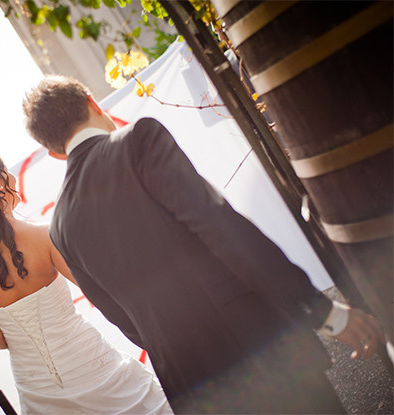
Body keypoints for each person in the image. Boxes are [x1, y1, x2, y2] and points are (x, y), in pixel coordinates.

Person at [21, 75, 385, 413]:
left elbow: (120, 318)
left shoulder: (61, 227)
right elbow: (221, 227)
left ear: (54, 152)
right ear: (91, 101)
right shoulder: (136, 141)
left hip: (192, 384)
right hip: (258, 350)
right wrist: (323, 312)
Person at [0, 151, 172, 414]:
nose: (13, 179)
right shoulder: (44, 236)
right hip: (90, 363)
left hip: (37, 387)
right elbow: (99, 293)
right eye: (7, 172)